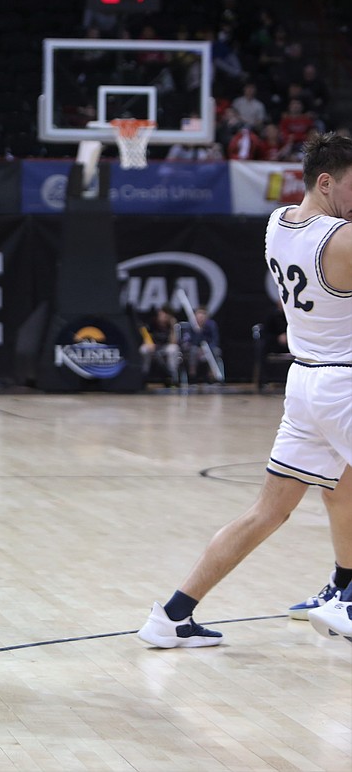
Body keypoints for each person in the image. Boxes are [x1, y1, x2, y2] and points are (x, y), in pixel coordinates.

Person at [138, 132, 352, 649]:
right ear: (325, 182)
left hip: (304, 384)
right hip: (344, 382)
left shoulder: (277, 224)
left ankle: (172, 614)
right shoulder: (342, 238)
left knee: (272, 510)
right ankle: (345, 601)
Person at [138, 304, 181, 384]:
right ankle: (144, 374)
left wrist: (172, 326)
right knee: (143, 349)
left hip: (165, 347)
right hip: (153, 346)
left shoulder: (172, 325)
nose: (163, 316)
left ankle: (172, 376)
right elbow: (145, 335)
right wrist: (149, 343)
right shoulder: (152, 322)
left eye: (166, 314)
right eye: (162, 313)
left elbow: (173, 342)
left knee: (174, 349)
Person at [181, 306, 222, 383]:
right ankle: (192, 376)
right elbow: (188, 342)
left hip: (208, 349)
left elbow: (215, 340)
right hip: (195, 348)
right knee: (193, 351)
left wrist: (206, 349)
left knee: (216, 351)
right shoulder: (190, 326)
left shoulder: (212, 325)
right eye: (199, 314)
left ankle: (212, 376)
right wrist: (198, 332)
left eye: (203, 314)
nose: (201, 317)